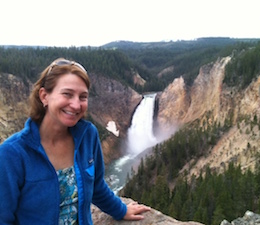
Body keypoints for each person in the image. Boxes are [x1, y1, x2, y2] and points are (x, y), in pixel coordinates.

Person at [0, 58, 150, 224]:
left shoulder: (88, 136)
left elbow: (97, 187)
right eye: (67, 94)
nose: (76, 105)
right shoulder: (12, 153)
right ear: (44, 96)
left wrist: (121, 210)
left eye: (83, 97)